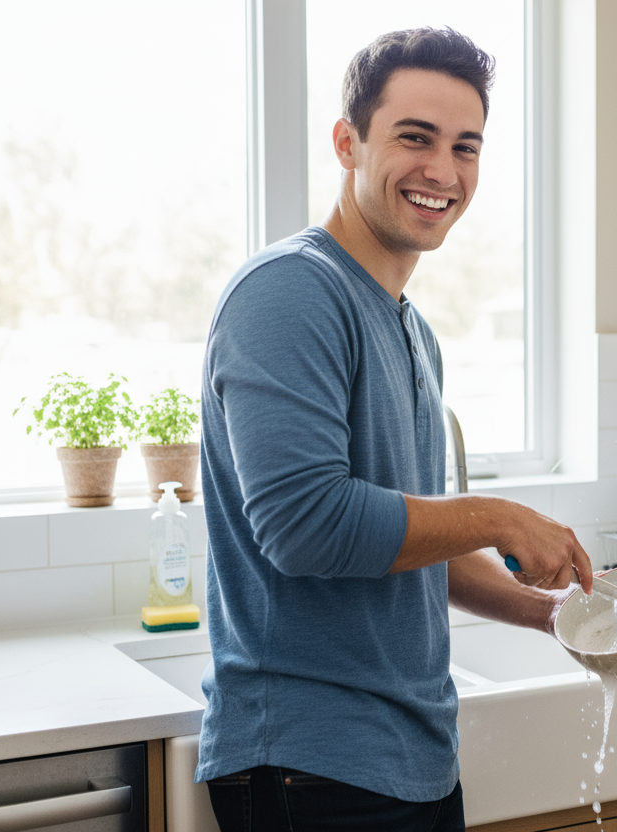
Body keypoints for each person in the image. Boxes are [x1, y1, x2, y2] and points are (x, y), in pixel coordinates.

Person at [194, 27, 594, 831]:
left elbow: (406, 550)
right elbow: (306, 527)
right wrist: (503, 517)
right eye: (415, 138)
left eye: (465, 147)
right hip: (313, 766)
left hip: (408, 762)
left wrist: (555, 616)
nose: (442, 171)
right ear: (347, 142)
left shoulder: (411, 328)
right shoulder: (290, 295)